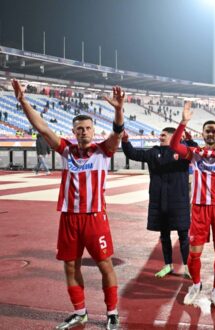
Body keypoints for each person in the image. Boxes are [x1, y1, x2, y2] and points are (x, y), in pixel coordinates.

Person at [12, 79, 124, 329]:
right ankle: (80, 312)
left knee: (105, 264)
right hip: (69, 217)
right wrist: (23, 101)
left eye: (87, 128)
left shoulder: (103, 151)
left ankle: (112, 313)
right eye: (79, 129)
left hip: (95, 217)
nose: (83, 132)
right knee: (70, 265)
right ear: (73, 132)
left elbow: (117, 134)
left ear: (93, 130)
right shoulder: (66, 150)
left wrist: (118, 109)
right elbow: (42, 128)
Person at [169, 101, 215, 309]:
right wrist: (183, 122)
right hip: (200, 207)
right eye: (207, 131)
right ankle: (195, 285)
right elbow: (174, 146)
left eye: (213, 131)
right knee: (194, 253)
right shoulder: (195, 153)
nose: (210, 133)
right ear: (202, 134)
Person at [121, 127, 192, 279]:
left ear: (175, 137)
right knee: (164, 235)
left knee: (184, 235)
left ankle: (188, 267)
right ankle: (168, 265)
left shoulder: (183, 152)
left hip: (179, 200)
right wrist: (125, 142)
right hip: (160, 201)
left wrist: (190, 139)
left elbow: (196, 151)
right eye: (161, 134)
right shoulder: (153, 152)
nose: (161, 136)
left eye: (164, 135)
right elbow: (133, 154)